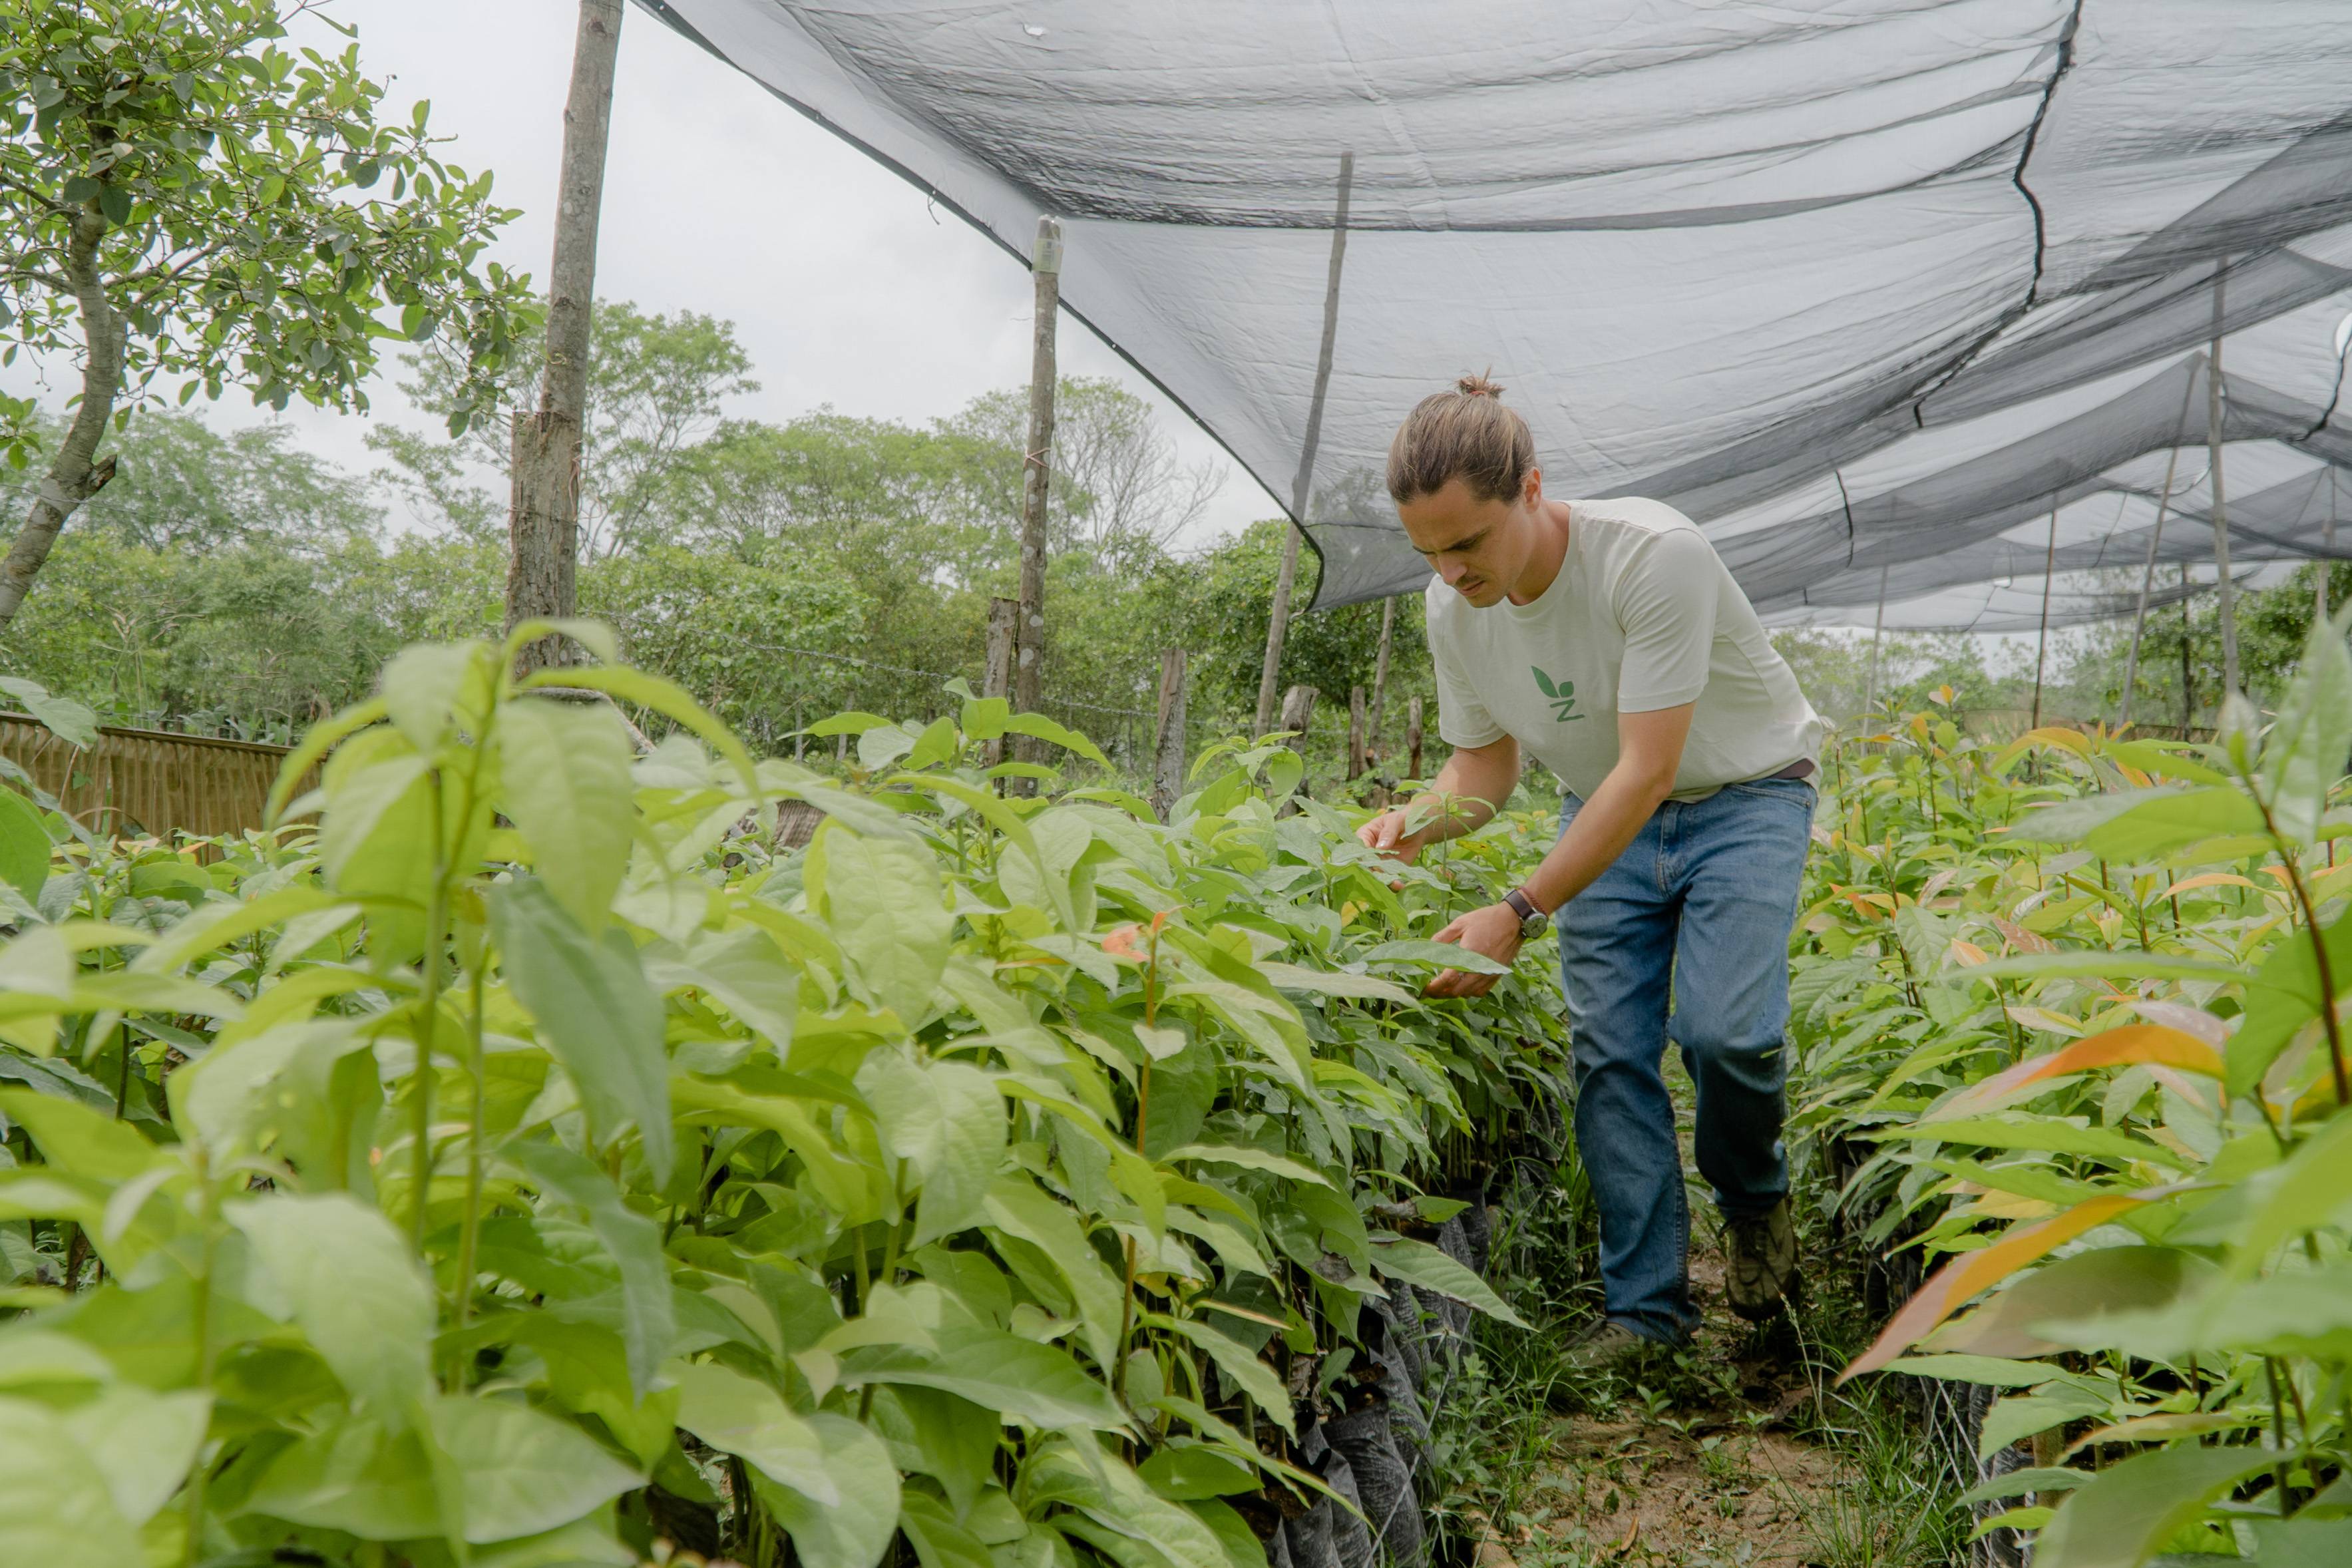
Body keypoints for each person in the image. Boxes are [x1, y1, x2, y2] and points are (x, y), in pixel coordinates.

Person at [1354, 372, 1824, 1366]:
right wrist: (1413, 823)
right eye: (1426, 552)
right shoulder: (1455, 612)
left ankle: (1752, 1205)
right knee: (1608, 1056)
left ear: (1529, 489)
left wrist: (1517, 909)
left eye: (1466, 543)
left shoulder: (1653, 557)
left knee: (1723, 1034)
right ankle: (1645, 1316)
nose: (1447, 572)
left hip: (1744, 798)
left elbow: (1648, 769)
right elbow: (1484, 770)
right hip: (1601, 814)